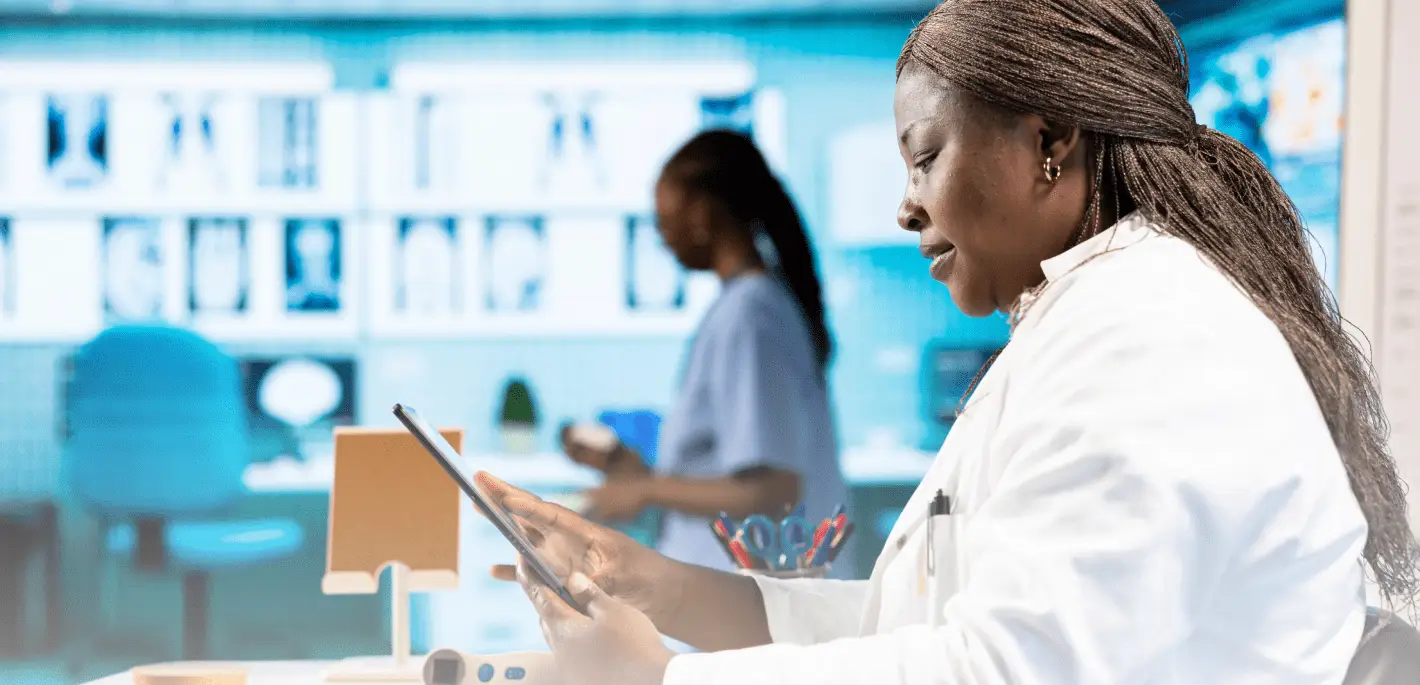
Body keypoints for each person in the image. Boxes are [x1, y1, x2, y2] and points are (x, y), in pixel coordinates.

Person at [478, 1, 1420, 683]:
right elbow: (930, 625)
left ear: (1050, 139)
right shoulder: (1087, 320)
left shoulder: (1149, 338)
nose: (905, 204)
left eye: (926, 157)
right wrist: (670, 590)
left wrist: (655, 681)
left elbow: (1008, 669)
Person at [560, 129, 851, 576]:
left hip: (751, 604)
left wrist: (646, 491)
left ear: (702, 213)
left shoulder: (751, 314)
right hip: (736, 599)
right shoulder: (749, 305)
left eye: (664, 221)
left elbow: (773, 490)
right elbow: (732, 464)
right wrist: (631, 471)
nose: (663, 238)